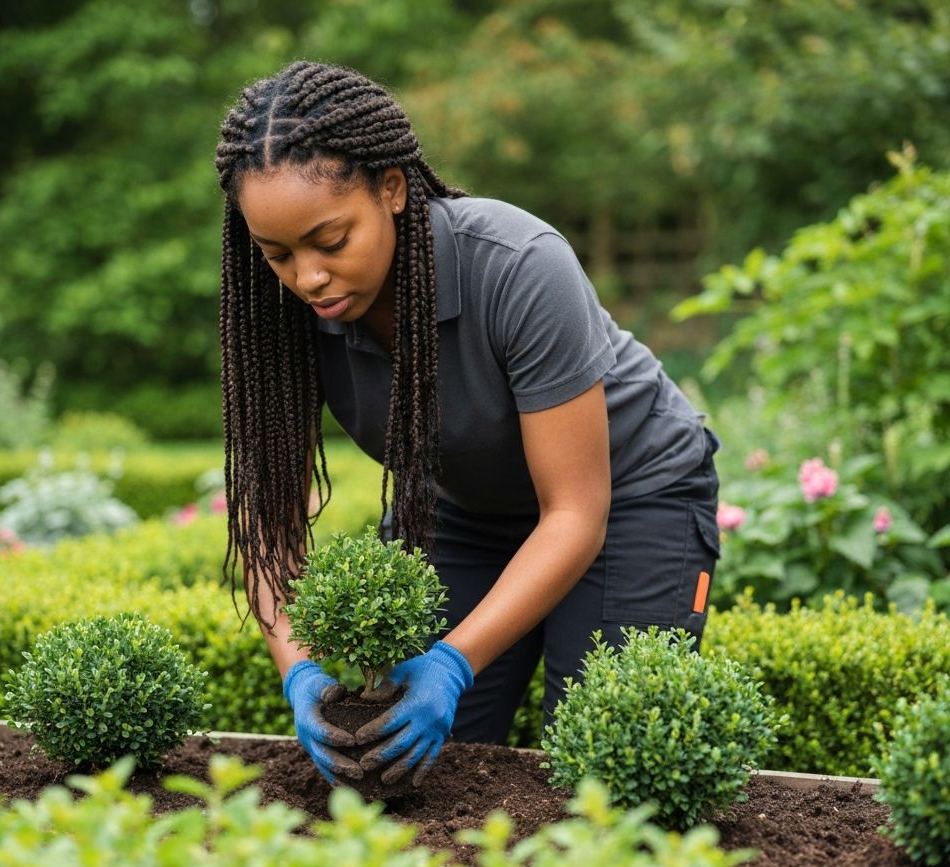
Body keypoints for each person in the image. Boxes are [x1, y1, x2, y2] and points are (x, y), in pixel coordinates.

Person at [214, 60, 720, 788]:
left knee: (603, 768)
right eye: (278, 255)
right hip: (462, 513)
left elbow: (576, 512)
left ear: (392, 188)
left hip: (633, 496)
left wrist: (451, 664)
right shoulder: (282, 315)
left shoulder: (519, 266)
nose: (307, 277)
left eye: (330, 241)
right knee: (400, 766)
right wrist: (301, 672)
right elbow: (271, 521)